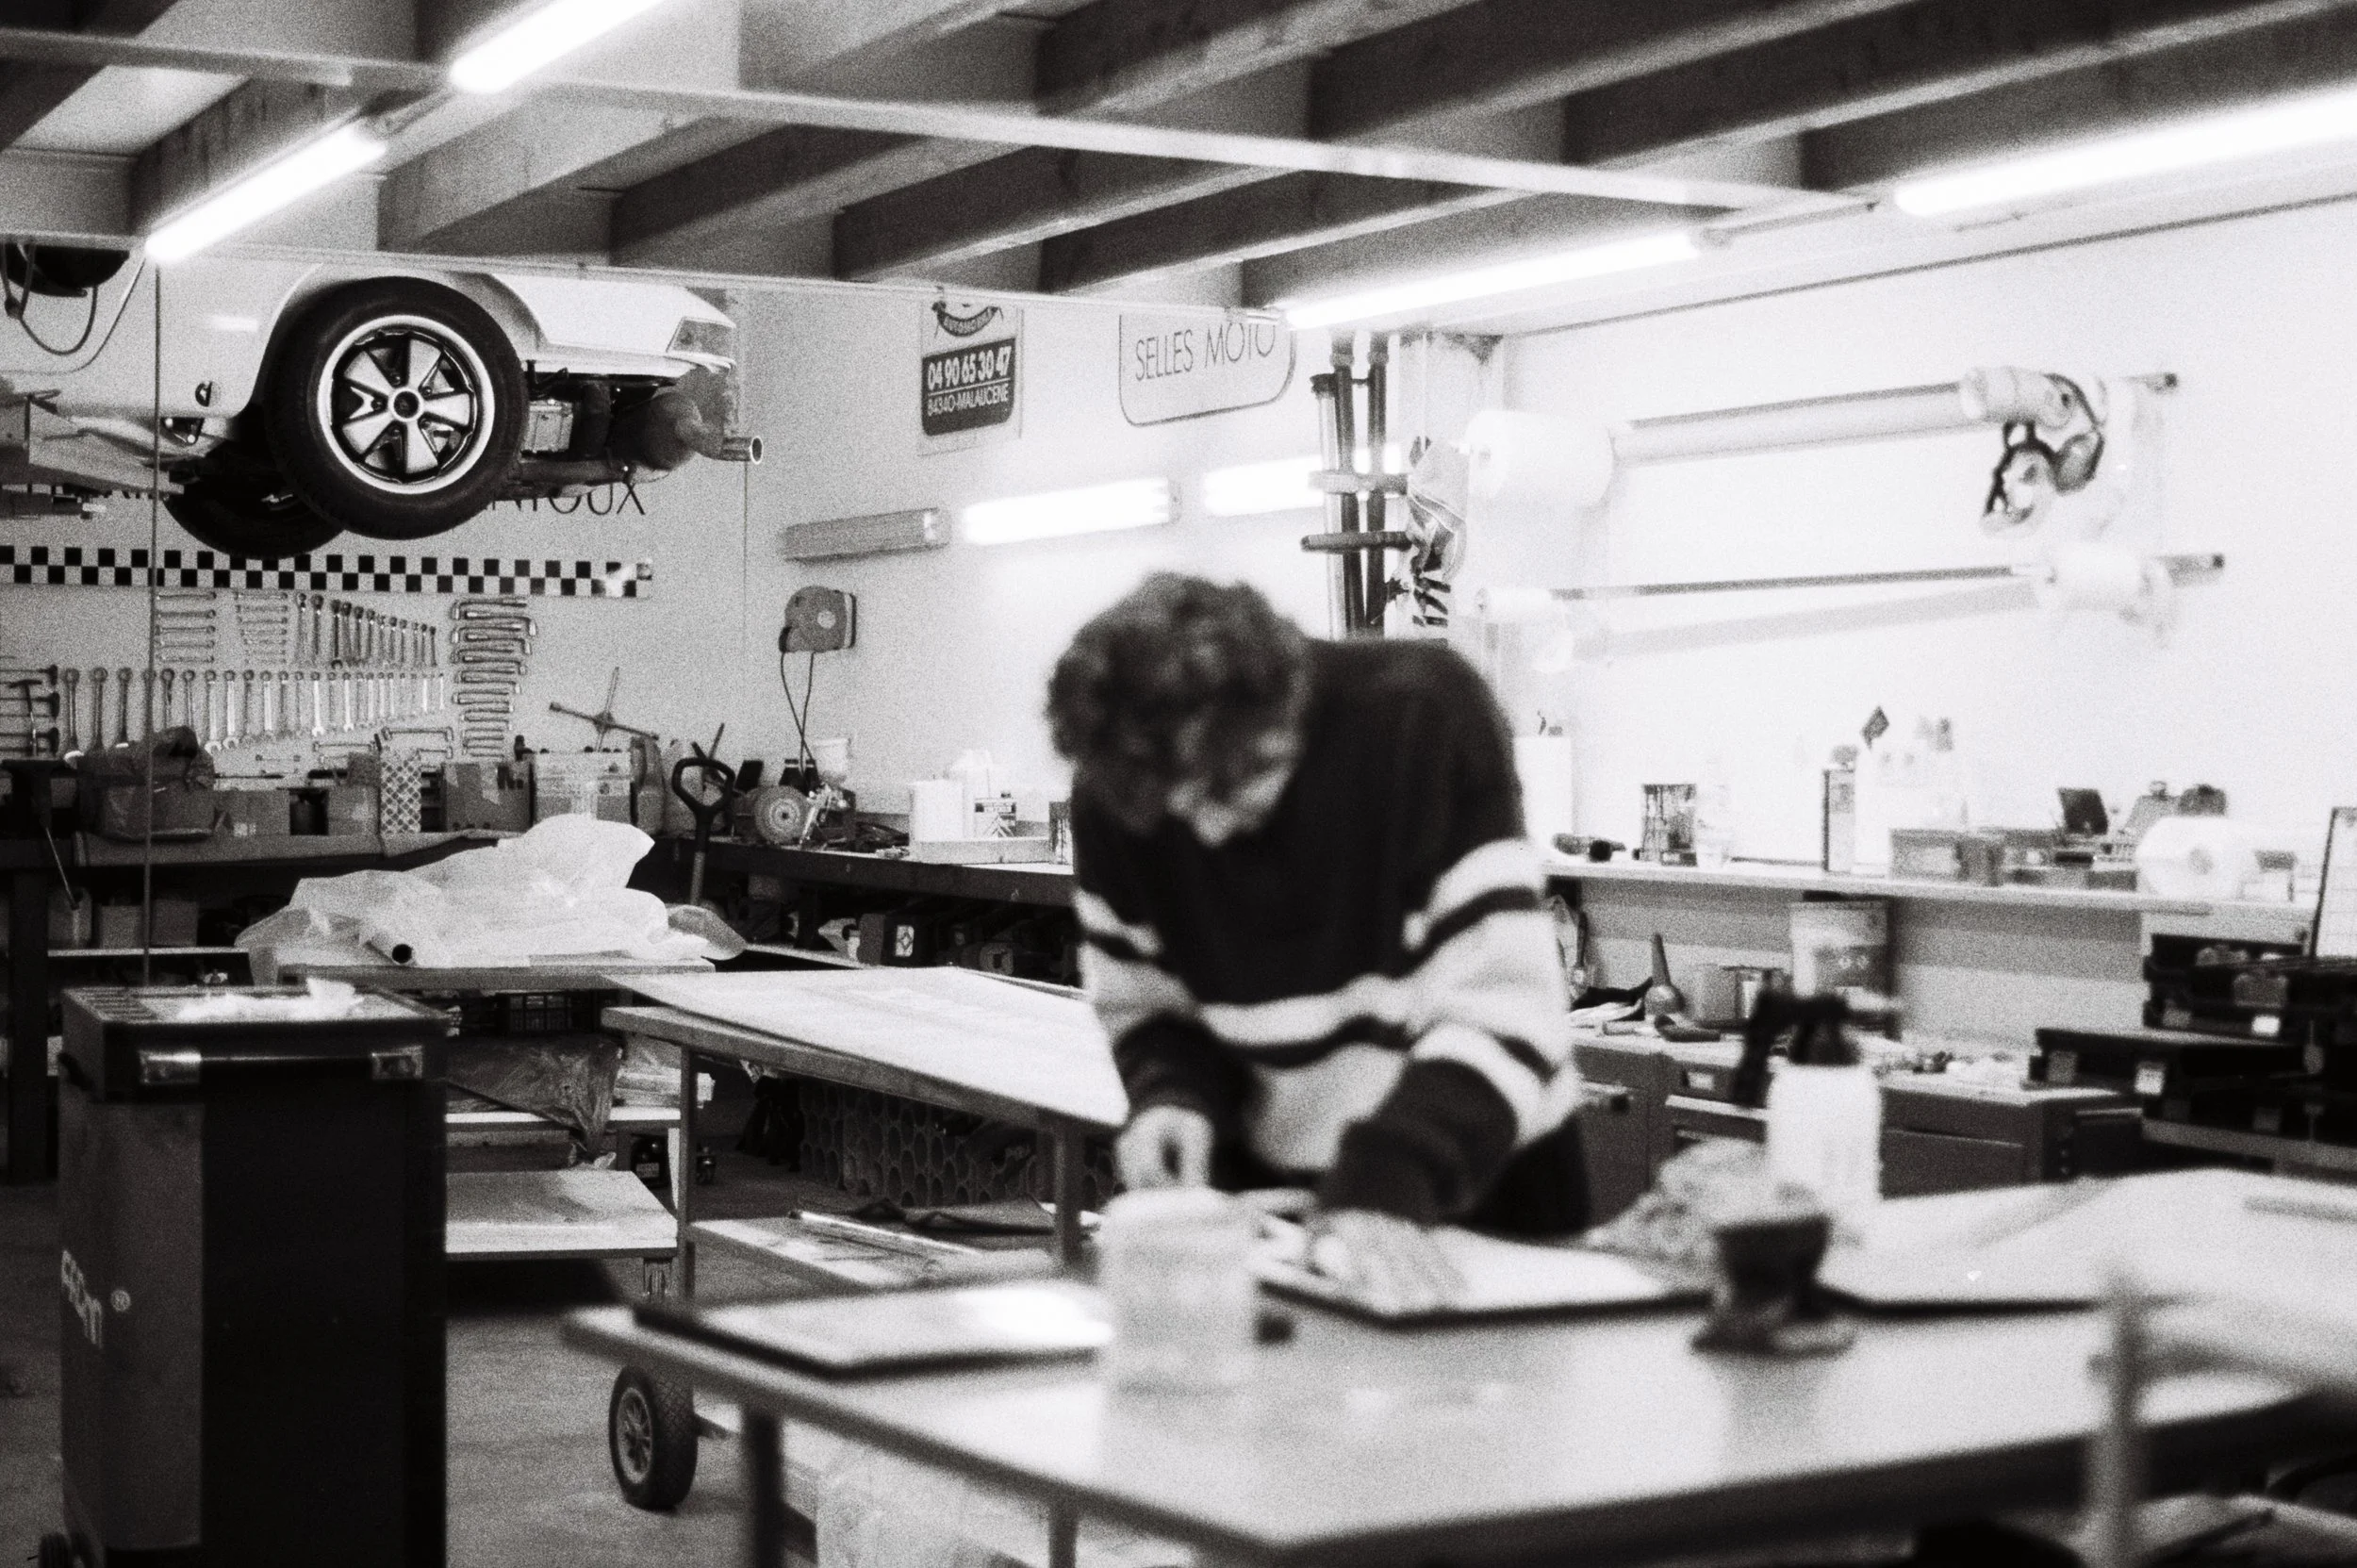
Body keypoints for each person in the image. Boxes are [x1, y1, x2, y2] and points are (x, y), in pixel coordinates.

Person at [1047, 573, 1585, 1312]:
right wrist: (1173, 1095)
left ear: (1290, 699)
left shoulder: (1420, 719)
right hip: (1275, 1218)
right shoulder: (1119, 799)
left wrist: (1389, 1176)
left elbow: (1505, 1010)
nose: (1208, 830)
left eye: (1238, 783)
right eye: (1179, 809)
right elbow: (1149, 1005)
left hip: (1481, 1190)